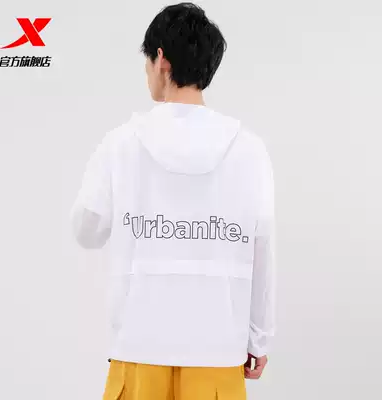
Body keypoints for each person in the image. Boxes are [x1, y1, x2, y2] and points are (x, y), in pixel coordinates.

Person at [71, 2, 275, 399]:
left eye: (147, 62)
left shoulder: (121, 143)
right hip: (218, 350)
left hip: (139, 346)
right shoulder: (249, 149)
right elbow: (262, 247)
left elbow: (86, 230)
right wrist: (259, 337)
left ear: (160, 58)